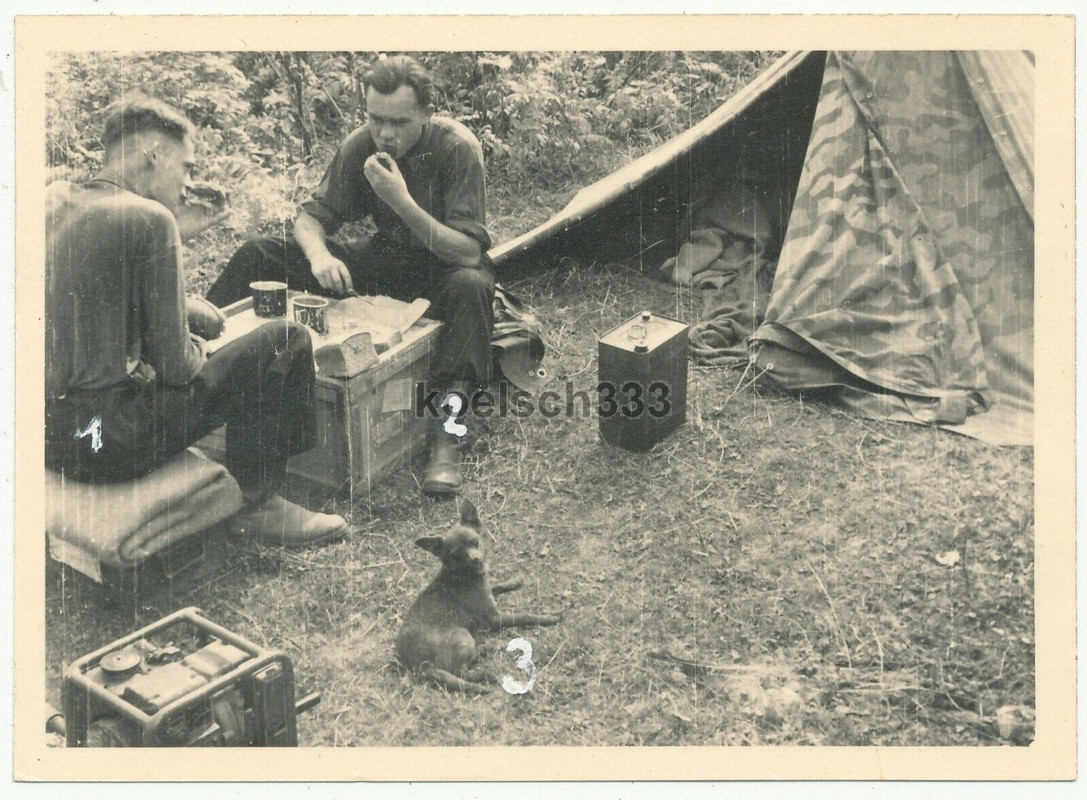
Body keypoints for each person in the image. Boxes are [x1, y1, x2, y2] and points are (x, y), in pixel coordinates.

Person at [45, 97, 347, 547]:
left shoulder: (55, 201)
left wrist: (180, 300)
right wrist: (200, 343)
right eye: (186, 168)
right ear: (153, 155)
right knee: (287, 339)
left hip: (50, 436)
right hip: (108, 444)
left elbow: (95, 290)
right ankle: (259, 503)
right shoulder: (150, 219)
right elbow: (177, 368)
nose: (189, 184)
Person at [206, 55, 495, 495]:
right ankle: (194, 366)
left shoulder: (457, 147)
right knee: (261, 253)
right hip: (383, 261)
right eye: (376, 119)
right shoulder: (362, 143)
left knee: (472, 289)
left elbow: (469, 252)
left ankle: (446, 438)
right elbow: (308, 218)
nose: (385, 134)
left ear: (426, 114)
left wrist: (400, 201)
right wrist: (320, 255)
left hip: (442, 270)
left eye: (399, 122)